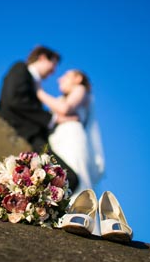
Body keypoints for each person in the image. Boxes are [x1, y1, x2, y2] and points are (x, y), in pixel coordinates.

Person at [0, 46, 80, 192]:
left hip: (34, 139)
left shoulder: (34, 85)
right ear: (42, 58)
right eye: (53, 64)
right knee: (69, 178)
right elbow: (15, 100)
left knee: (65, 179)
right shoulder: (20, 68)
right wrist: (53, 119)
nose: (54, 71)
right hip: (26, 136)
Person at [36, 69, 105, 202]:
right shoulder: (60, 99)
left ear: (78, 79)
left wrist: (39, 92)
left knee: (75, 173)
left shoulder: (80, 89)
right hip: (56, 139)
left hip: (72, 139)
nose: (59, 79)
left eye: (66, 76)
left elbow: (65, 109)